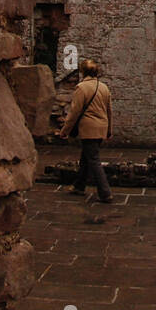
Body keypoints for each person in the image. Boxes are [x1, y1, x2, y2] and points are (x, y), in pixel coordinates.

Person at [56, 59, 114, 204]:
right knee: (86, 158)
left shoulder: (81, 88)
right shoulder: (104, 87)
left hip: (89, 128)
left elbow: (75, 112)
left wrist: (65, 130)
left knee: (93, 159)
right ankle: (79, 186)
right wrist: (109, 130)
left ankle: (105, 192)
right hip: (101, 127)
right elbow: (109, 111)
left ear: (83, 72)